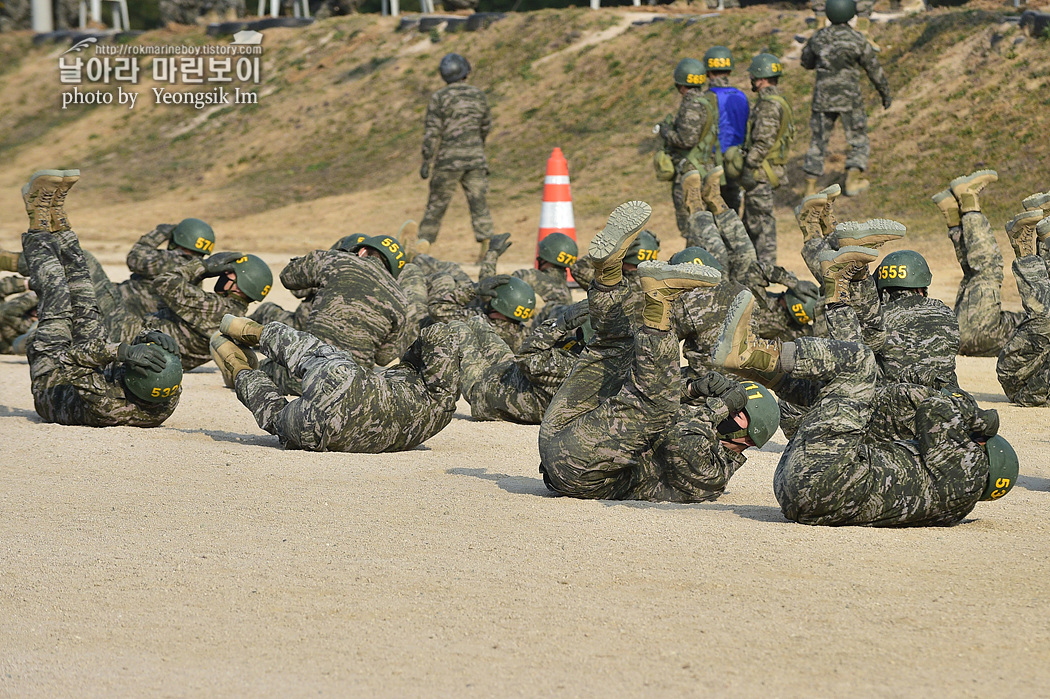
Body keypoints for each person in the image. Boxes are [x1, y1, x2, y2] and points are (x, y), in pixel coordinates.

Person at [713, 255, 1018, 527]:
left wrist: (973, 416)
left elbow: (934, 411)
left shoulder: (967, 471)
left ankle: (755, 353)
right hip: (799, 491)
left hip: (825, 479)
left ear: (982, 451)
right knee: (847, 389)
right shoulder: (951, 502)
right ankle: (751, 369)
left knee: (860, 362)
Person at [539, 200, 779, 503]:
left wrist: (717, 408)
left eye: (736, 411)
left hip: (581, 471)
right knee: (614, 349)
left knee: (656, 401)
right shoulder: (708, 430)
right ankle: (608, 276)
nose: (725, 407)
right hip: (563, 437)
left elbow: (678, 439)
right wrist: (692, 389)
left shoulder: (714, 475)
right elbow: (674, 416)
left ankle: (660, 306)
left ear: (750, 432)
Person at [19, 169, 182, 427]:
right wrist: (147, 338)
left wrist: (123, 351)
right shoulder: (165, 397)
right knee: (85, 292)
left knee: (56, 293)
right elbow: (162, 370)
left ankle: (37, 218)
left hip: (54, 379)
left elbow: (70, 359)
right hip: (95, 370)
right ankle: (58, 220)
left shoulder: (107, 406)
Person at [211, 314, 462, 453]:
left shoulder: (440, 393)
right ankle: (239, 368)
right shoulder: (437, 415)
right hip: (316, 431)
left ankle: (252, 331)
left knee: (315, 354)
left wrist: (416, 350)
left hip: (344, 385)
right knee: (276, 418)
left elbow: (438, 333)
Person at [256, 235, 414, 395]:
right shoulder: (400, 299)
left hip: (304, 377)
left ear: (362, 251)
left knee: (256, 367)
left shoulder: (337, 259)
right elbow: (384, 357)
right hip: (350, 389)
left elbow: (288, 276)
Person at [801, 0, 891, 198]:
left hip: (823, 98)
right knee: (858, 139)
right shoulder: (857, 39)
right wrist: (885, 93)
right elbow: (874, 70)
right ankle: (852, 180)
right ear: (851, 13)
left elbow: (806, 62)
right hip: (849, 99)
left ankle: (809, 188)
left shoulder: (818, 38)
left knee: (818, 142)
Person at [934, 170, 1026, 356]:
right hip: (969, 331)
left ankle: (969, 201)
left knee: (987, 269)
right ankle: (952, 213)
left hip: (983, 334)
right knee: (972, 275)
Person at [453, 300, 588, 424]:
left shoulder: (575, 368)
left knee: (457, 328)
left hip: (483, 389)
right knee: (476, 322)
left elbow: (525, 356)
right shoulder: (581, 349)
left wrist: (558, 326)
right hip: (509, 369)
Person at [416, 53, 494, 262]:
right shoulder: (479, 95)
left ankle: (422, 248)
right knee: (479, 204)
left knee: (436, 206)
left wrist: (426, 161)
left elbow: (432, 133)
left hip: (448, 161)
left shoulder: (440, 98)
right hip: (475, 159)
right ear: (465, 72)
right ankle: (487, 249)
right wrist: (477, 147)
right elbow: (485, 126)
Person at [655, 58, 720, 249]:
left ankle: (694, 264)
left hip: (690, 171)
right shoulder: (708, 101)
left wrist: (665, 131)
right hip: (705, 167)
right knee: (700, 222)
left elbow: (687, 140)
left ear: (681, 84)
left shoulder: (691, 105)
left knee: (691, 223)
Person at [739, 53, 794, 266]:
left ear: (761, 78)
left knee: (761, 227)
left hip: (762, 172)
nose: (751, 80)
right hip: (767, 171)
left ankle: (764, 270)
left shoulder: (769, 105)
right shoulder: (777, 101)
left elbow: (762, 143)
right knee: (754, 224)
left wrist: (747, 167)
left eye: (753, 76)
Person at [118, 218, 216, 319]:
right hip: (155, 319)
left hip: (128, 311)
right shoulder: (197, 269)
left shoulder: (172, 260)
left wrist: (159, 234)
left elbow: (135, 258)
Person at [998, 216, 1050, 406]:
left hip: (1019, 375)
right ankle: (1046, 237)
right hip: (1039, 355)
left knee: (1046, 318)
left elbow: (1029, 396)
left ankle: (1023, 244)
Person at [479, 231, 576, 324]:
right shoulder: (565, 290)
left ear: (545, 254)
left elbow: (487, 291)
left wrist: (492, 253)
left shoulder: (529, 277)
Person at [703, 46, 749, 214]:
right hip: (736, 163)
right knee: (732, 215)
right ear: (729, 70)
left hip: (713, 166)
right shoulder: (741, 96)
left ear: (707, 71)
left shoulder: (707, 98)